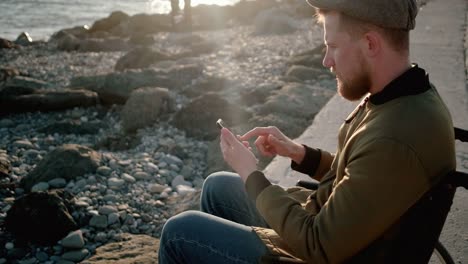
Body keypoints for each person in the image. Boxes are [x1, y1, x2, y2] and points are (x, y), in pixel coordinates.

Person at [158, 0, 456, 263]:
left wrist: (252, 174)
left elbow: (318, 245)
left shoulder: (395, 136)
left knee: (179, 233)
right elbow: (361, 174)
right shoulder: (405, 96)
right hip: (333, 229)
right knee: (218, 186)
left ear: (370, 44)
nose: (326, 60)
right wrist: (299, 153)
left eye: (334, 46)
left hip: (316, 245)